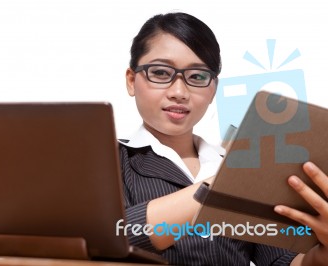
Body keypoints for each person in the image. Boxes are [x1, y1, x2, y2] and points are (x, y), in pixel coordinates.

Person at [119, 12, 328, 265]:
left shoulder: (237, 163)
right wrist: (227, 182)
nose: (178, 92)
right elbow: (114, 233)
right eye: (161, 73)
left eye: (197, 77)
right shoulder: (106, 159)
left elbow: (282, 261)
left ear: (213, 89)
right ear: (132, 80)